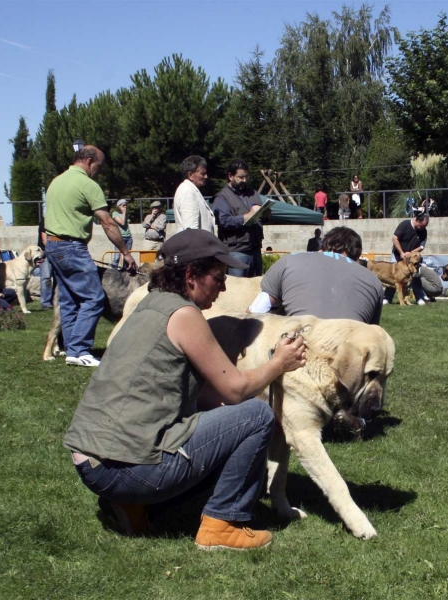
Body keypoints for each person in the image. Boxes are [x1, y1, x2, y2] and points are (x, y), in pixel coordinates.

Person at [63, 229, 306, 549]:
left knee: (239, 421)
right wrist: (279, 363)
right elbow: (235, 390)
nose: (223, 286)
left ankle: (131, 504)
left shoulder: (151, 305)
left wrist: (229, 422)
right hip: (121, 468)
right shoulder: (184, 315)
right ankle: (222, 524)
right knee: (257, 414)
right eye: (219, 277)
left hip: (94, 462)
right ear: (191, 275)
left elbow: (191, 393)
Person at [44, 145, 137, 368]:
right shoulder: (88, 185)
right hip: (72, 247)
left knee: (69, 300)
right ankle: (79, 350)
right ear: (88, 161)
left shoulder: (57, 181)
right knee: (94, 298)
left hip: (53, 246)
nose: (99, 171)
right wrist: (126, 252)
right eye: (99, 166)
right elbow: (107, 222)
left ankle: (69, 349)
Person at [248, 227, 383, 326]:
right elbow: (371, 333)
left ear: (321, 248)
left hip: (298, 351)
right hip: (347, 355)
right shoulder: (374, 282)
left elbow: (255, 312)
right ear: (357, 257)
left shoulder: (289, 261)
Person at [212, 159, 264, 277]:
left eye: (246, 177)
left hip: (255, 250)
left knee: (256, 290)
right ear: (230, 176)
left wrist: (265, 215)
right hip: (236, 252)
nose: (244, 180)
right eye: (240, 177)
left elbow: (260, 217)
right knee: (237, 291)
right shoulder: (222, 198)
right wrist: (247, 216)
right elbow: (224, 221)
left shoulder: (253, 193)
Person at [383, 213, 429, 306]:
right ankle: (387, 298)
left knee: (415, 276)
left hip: (412, 258)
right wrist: (401, 253)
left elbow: (421, 246)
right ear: (417, 220)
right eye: (423, 225)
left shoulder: (423, 231)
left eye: (425, 226)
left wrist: (411, 253)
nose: (424, 227)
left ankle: (419, 297)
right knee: (393, 276)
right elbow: (395, 238)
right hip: (397, 255)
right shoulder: (405, 225)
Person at [173, 155, 215, 233]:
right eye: (203, 173)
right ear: (190, 175)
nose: (206, 176)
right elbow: (191, 230)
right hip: (196, 244)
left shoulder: (191, 189)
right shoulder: (187, 191)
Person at [37, 216, 54, 309]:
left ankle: (57, 300)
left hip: (57, 252)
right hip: (45, 252)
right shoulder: (46, 220)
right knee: (46, 277)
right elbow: (44, 240)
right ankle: (46, 302)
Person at [111, 199, 133, 269]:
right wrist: (124, 213)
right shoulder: (115, 214)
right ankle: (113, 271)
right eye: (123, 205)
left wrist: (124, 213)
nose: (125, 207)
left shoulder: (126, 213)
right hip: (120, 237)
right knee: (117, 257)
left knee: (127, 257)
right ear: (119, 206)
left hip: (128, 237)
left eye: (126, 205)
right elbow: (122, 223)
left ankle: (124, 271)